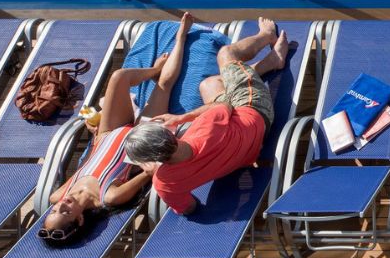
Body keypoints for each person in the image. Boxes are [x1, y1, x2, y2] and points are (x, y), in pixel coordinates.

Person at [40, 12, 196, 245]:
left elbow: (88, 163)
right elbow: (148, 173)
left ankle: (153, 70)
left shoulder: (57, 195)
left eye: (54, 211)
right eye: (65, 212)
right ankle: (181, 36)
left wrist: (95, 135)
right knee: (164, 85)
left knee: (118, 77)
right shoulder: (109, 197)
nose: (61, 205)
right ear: (80, 220)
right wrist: (152, 158)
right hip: (139, 140)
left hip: (107, 134)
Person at [124, 17, 291, 215]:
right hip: (255, 111)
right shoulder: (206, 127)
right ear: (167, 133)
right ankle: (266, 35)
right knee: (226, 54)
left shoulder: (163, 183)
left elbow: (188, 208)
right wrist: (181, 118)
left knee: (209, 85)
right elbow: (225, 105)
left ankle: (270, 62)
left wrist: (158, 172)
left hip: (245, 154)